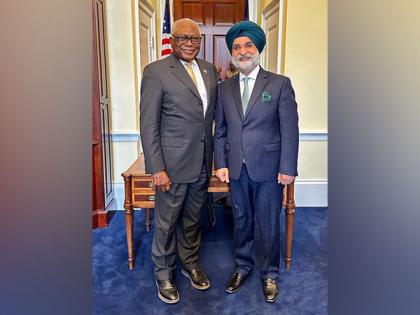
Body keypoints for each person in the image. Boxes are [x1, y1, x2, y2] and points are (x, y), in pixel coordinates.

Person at [214, 21, 299, 303]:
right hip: (237, 168)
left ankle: (270, 273)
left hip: (269, 168)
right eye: (237, 47)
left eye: (248, 45)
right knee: (241, 219)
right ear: (232, 53)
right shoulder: (224, 88)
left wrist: (288, 168)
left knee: (268, 222)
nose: (243, 51)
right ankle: (243, 266)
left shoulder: (279, 83)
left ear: (258, 47)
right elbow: (221, 130)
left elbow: (289, 129)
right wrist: (221, 162)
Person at [140, 18, 218, 304]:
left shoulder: (209, 70)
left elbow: (209, 116)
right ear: (172, 41)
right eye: (183, 38)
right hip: (171, 167)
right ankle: (163, 273)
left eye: (194, 39)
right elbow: (148, 124)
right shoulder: (156, 72)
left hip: (201, 162)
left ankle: (190, 263)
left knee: (192, 219)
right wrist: (157, 168)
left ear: (200, 42)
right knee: (166, 222)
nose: (189, 43)